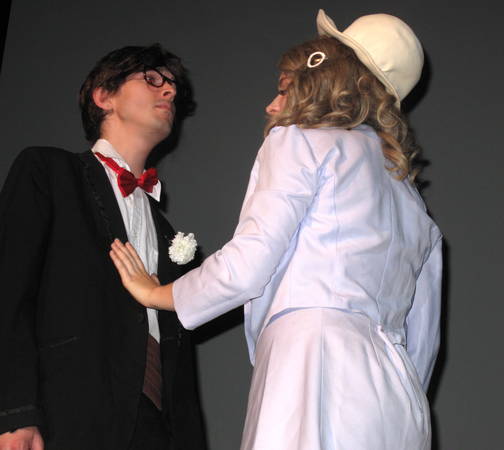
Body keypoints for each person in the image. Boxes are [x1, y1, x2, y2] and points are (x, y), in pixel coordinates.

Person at [109, 10, 442, 450]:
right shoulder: (415, 207)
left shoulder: (300, 139)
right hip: (398, 397)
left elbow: (250, 262)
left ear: (320, 80)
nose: (271, 106)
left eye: (284, 89)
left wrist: (159, 294)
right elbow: (423, 345)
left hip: (312, 366)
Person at [0, 44, 206, 450]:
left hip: (155, 431)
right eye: (153, 79)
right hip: (64, 416)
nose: (169, 91)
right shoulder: (48, 171)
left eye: (173, 86)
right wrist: (13, 415)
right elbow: (8, 296)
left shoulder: (168, 233)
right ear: (104, 96)